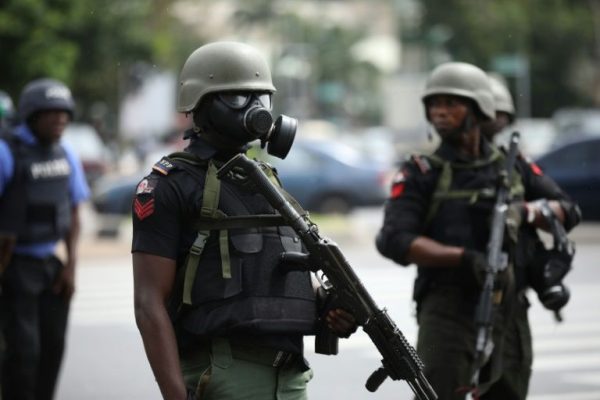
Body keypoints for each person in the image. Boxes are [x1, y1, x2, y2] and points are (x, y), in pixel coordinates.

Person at [132, 41, 356, 400]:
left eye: (260, 98)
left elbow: (271, 269)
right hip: (222, 374)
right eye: (237, 97)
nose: (254, 110)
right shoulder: (170, 185)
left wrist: (328, 304)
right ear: (199, 104)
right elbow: (148, 302)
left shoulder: (264, 180)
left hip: (290, 378)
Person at [375, 62, 581, 400]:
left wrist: (523, 213)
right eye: (434, 104)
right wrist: (464, 259)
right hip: (448, 312)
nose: (440, 112)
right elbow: (395, 240)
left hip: (509, 310)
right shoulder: (421, 171)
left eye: (451, 103)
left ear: (479, 109)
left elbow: (567, 210)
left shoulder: (511, 166)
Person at [0, 78, 90, 400]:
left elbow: (74, 211)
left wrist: (71, 267)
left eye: (64, 113)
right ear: (31, 115)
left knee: (52, 351)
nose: (60, 119)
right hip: (13, 267)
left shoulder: (65, 152)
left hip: (51, 267)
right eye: (51, 112)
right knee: (23, 356)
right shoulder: (6, 152)